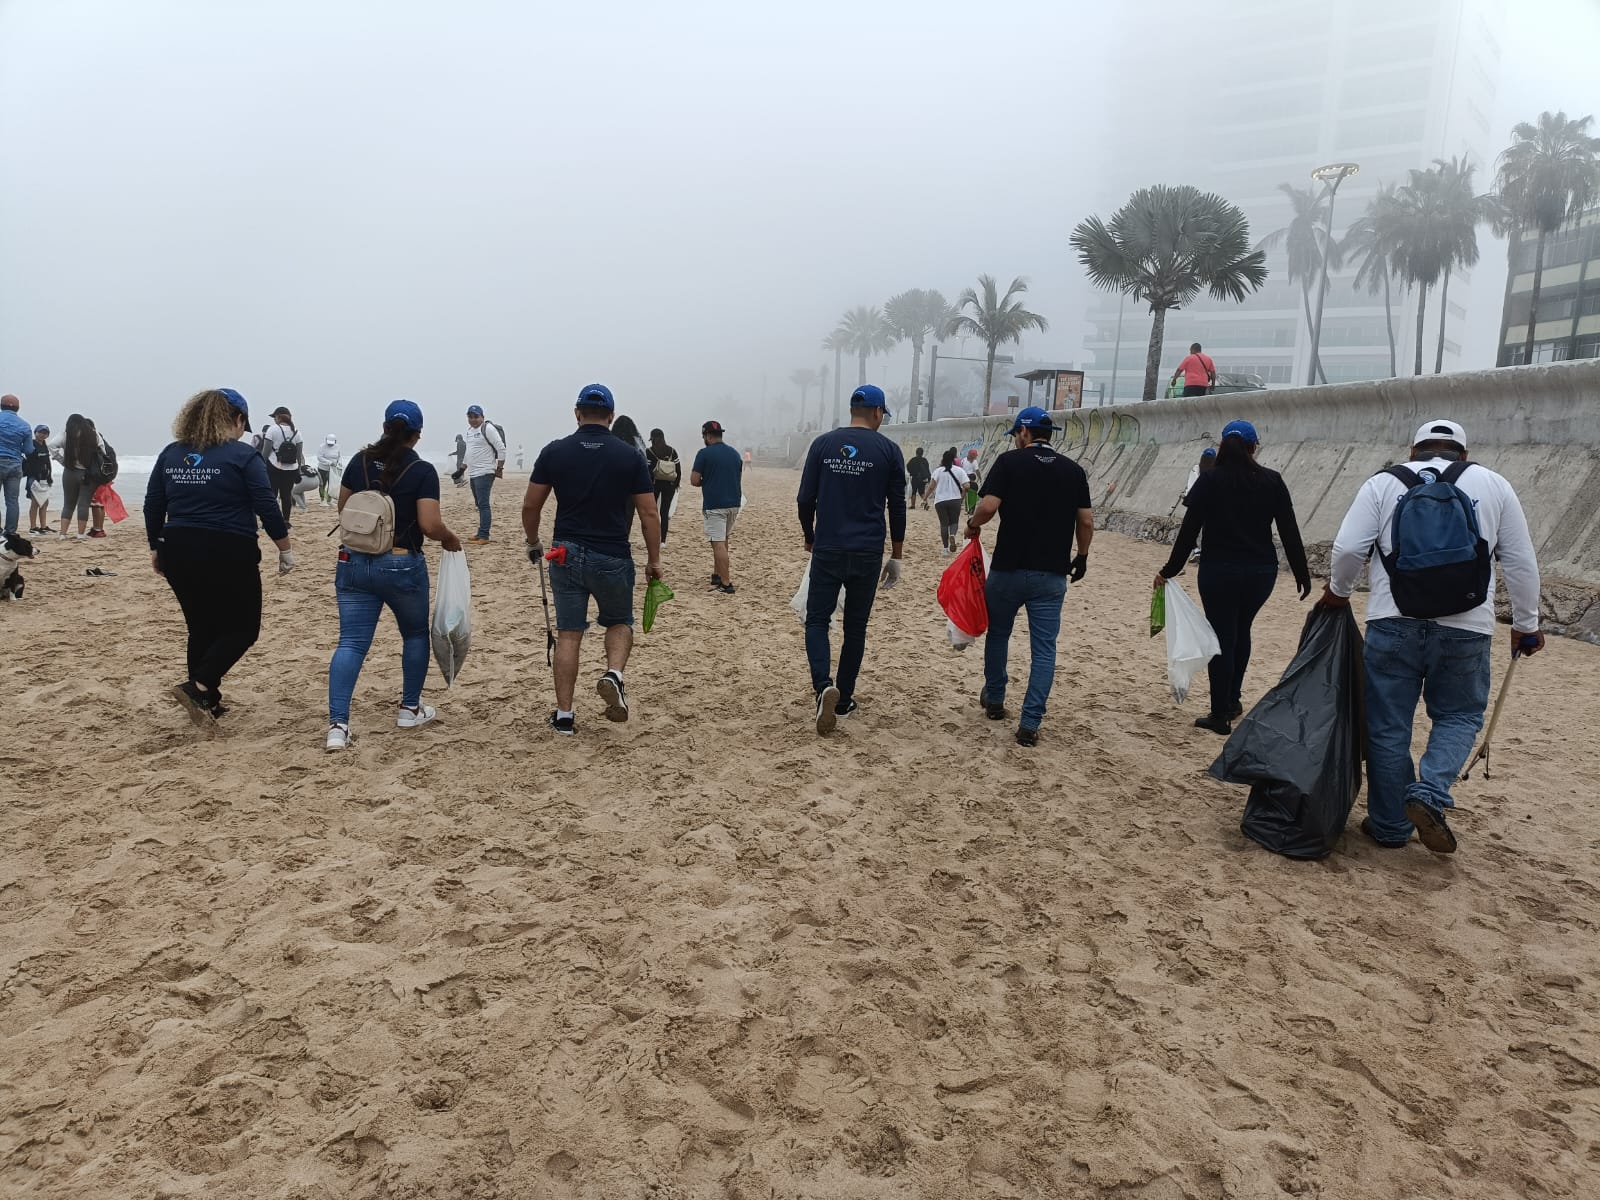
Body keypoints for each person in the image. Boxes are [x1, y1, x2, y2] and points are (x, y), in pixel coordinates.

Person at [1320, 418, 1544, 856]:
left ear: (1413, 450)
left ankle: (1389, 826)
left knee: (1388, 726)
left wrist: (1338, 593)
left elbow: (1348, 550)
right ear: (1464, 453)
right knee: (1459, 716)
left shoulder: (1383, 483)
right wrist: (1526, 623)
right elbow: (1520, 560)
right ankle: (1431, 790)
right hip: (1467, 625)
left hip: (1392, 620)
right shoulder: (1494, 484)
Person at [521, 384, 663, 736]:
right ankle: (613, 674)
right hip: (612, 554)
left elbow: (531, 505)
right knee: (619, 622)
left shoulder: (555, 452)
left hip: (565, 553)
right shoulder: (629, 456)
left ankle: (564, 716)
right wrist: (654, 560)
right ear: (611, 416)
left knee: (569, 634)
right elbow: (649, 513)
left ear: (577, 413)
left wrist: (533, 541)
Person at [145, 387, 293, 726]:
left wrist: (155, 546)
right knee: (244, 628)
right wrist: (284, 548)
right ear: (237, 419)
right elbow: (266, 504)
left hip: (177, 547)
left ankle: (207, 701)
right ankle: (198, 686)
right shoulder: (242, 455)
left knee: (201, 626)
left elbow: (154, 504)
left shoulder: (171, 453)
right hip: (229, 547)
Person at [1154, 420, 1311, 735]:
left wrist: (1169, 570)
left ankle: (1219, 713)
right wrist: (1301, 573)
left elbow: (1188, 532)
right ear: (1254, 447)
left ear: (1222, 447)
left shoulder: (1209, 480)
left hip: (1219, 571)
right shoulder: (1272, 480)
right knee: (1242, 629)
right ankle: (1233, 699)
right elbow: (1289, 531)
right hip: (1261, 573)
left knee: (1222, 636)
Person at [326, 399, 462, 751]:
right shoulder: (422, 470)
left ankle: (338, 727)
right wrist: (450, 538)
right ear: (417, 435)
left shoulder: (359, 461)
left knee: (351, 643)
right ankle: (409, 709)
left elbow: (345, 510)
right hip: (401, 563)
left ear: (384, 427)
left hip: (353, 562)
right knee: (414, 635)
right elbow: (429, 525)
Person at [963, 407, 1093, 747]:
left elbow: (988, 507)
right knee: (1044, 649)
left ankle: (995, 700)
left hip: (1008, 569)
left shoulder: (1009, 463)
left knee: (999, 635)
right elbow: (1086, 521)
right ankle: (1030, 723)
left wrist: (972, 525)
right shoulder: (1073, 471)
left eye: (1016, 435)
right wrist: (1081, 556)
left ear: (1023, 431)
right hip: (1051, 575)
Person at [796, 384, 906, 735]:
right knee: (855, 627)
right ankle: (843, 698)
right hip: (868, 551)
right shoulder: (889, 450)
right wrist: (897, 555)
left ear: (852, 410)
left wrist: (810, 536)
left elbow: (805, 499)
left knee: (817, 620)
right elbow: (897, 506)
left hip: (828, 546)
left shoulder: (822, 445)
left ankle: (822, 687)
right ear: (877, 412)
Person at [691, 420, 743, 594]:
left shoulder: (704, 454)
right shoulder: (734, 453)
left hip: (715, 505)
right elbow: (737, 477)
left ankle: (726, 583)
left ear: (707, 436)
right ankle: (717, 574)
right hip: (734, 503)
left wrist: (707, 480)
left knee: (718, 543)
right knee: (723, 539)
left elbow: (694, 480)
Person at [50, 414, 106, 539]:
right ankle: (80, 534)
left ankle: (63, 534)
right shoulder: (93, 434)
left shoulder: (65, 435)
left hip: (69, 472)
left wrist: (62, 460)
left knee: (68, 504)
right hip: (88, 474)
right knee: (83, 504)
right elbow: (103, 451)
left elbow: (51, 445)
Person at [463, 404, 506, 543]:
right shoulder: (470, 431)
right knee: (479, 504)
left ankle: (484, 535)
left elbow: (501, 448)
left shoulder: (488, 428)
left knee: (484, 504)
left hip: (485, 471)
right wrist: (462, 468)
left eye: (476, 416)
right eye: (470, 417)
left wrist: (499, 468)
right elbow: (469, 451)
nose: (473, 419)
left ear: (482, 417)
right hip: (473, 473)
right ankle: (480, 532)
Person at [262, 406, 304, 527]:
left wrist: (261, 466)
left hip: (274, 466)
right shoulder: (297, 432)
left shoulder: (272, 429)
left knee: (272, 495)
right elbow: (299, 455)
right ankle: (286, 521)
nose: (274, 420)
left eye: (274, 417)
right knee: (286, 495)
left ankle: (269, 521)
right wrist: (298, 470)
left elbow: (265, 452)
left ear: (278, 417)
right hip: (291, 468)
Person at [0, 394, 31, 536]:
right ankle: (10, 531)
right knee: (12, 501)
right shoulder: (24, 425)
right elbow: (28, 450)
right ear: (18, 408)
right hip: (14, 464)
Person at [930, 448, 970, 553]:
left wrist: (924, 498)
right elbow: (967, 486)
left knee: (943, 524)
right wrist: (962, 495)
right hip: (955, 500)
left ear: (943, 459)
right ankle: (952, 535)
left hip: (940, 501)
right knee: (954, 522)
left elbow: (931, 487)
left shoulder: (938, 471)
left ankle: (945, 548)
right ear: (953, 459)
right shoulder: (960, 470)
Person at [646, 428, 681, 547]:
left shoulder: (649, 451)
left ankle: (653, 537)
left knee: (652, 512)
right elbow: (678, 469)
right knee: (664, 512)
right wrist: (676, 483)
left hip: (654, 484)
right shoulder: (672, 451)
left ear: (653, 439)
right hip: (669, 485)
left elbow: (648, 470)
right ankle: (663, 541)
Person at [24, 425, 52, 534]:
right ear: (35, 432)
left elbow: (48, 462)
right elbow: (28, 461)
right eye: (40, 432)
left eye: (45, 433)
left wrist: (49, 476)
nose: (42, 435)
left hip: (44, 478)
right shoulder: (31, 444)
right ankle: (33, 527)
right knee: (35, 503)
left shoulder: (45, 445)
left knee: (45, 502)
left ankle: (43, 526)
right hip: (34, 478)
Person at [316, 435, 342, 507]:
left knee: (331, 485)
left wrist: (338, 463)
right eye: (329, 443)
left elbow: (339, 456)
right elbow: (319, 457)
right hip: (323, 469)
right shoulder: (322, 447)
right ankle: (322, 500)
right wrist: (329, 462)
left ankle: (329, 500)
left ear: (335, 441)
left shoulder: (337, 447)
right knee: (322, 484)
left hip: (333, 469)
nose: (330, 444)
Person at [906, 446, 932, 510]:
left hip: (915, 478)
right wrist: (929, 478)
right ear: (922, 453)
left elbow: (908, 467)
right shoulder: (924, 460)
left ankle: (913, 505)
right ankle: (926, 503)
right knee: (922, 492)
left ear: (916, 452)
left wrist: (911, 472)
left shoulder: (913, 460)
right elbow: (927, 469)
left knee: (914, 491)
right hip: (922, 479)